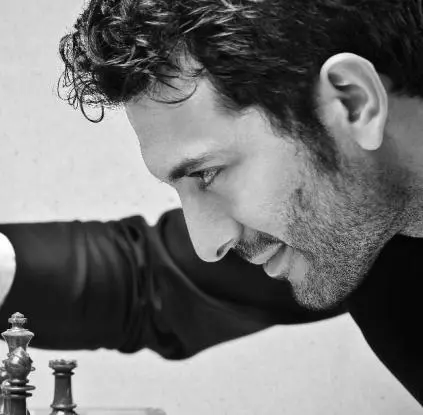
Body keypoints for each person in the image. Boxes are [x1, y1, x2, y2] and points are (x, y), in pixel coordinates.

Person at [0, 0, 422, 405]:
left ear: (354, 103)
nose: (207, 246)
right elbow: (148, 280)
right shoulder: (353, 218)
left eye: (208, 173)